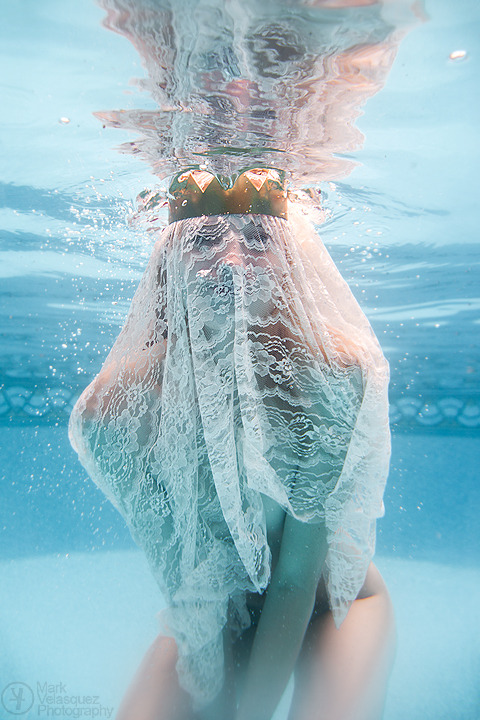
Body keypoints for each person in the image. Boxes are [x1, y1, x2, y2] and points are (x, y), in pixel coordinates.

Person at [69, 1, 423, 718]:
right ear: (166, 267)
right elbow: (186, 584)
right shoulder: (111, 415)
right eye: (202, 242)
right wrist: (220, 697)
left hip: (331, 603)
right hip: (210, 609)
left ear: (292, 261)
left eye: (260, 241)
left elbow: (296, 581)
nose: (232, 262)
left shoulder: (335, 372)